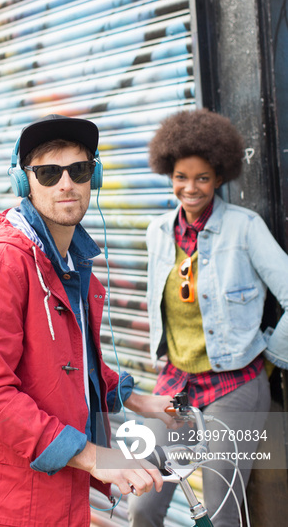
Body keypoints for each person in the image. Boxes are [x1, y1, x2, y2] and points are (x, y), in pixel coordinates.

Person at [0, 114, 176, 527]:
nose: (66, 183)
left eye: (79, 169)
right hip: (8, 500)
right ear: (24, 183)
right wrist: (94, 456)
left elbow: (69, 365)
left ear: (95, 177)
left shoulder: (68, 262)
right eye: (49, 173)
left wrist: (138, 400)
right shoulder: (4, 263)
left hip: (58, 487)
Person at [128, 108, 288, 527]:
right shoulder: (157, 232)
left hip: (233, 384)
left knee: (220, 512)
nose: (191, 187)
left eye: (202, 177)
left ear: (219, 178)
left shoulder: (245, 228)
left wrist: (270, 356)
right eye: (182, 176)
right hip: (176, 386)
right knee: (141, 503)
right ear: (169, 174)